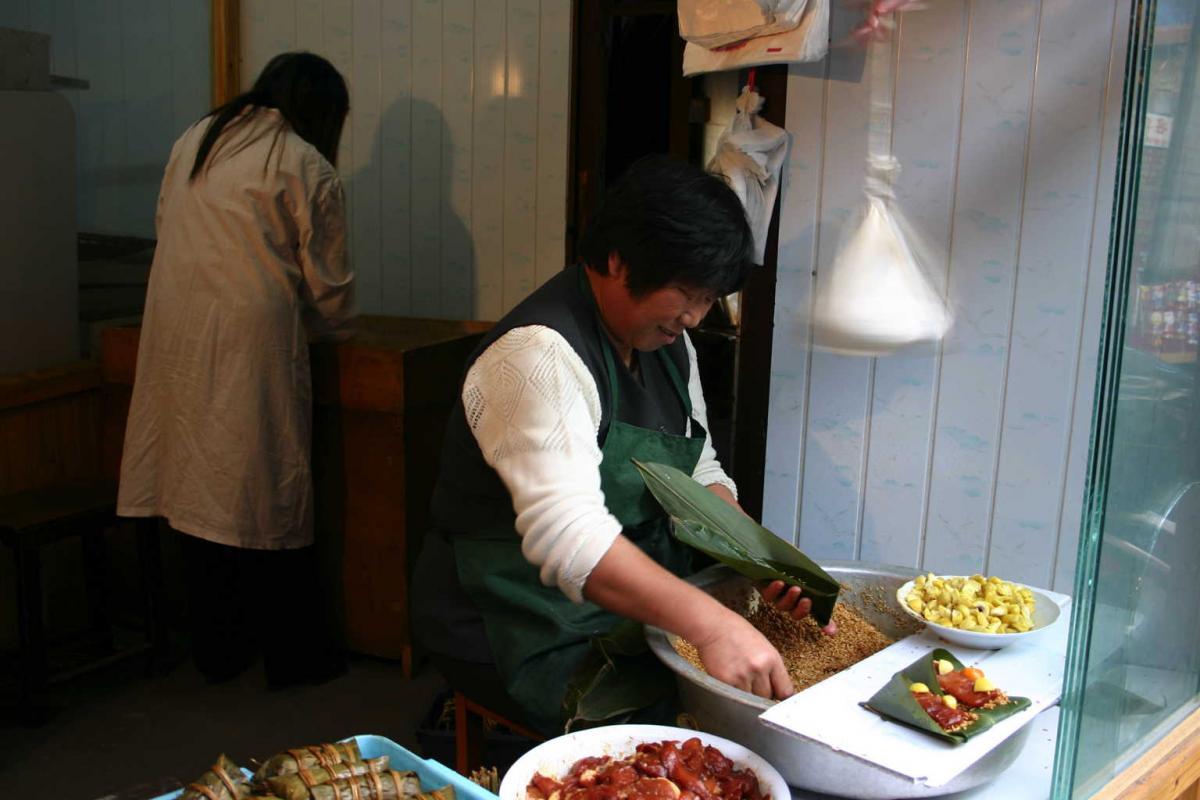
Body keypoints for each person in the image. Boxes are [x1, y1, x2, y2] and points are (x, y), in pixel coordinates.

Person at [412, 156, 835, 735]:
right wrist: (710, 624)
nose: (692, 317)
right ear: (617, 259)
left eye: (709, 298)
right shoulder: (536, 355)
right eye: (684, 291)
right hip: (519, 621)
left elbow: (699, 468)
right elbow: (569, 537)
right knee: (704, 730)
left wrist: (757, 559)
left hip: (618, 602)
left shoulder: (668, 343)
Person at [117, 52, 355, 687]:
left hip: (176, 328)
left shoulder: (197, 139)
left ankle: (219, 653)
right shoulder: (304, 161)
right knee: (267, 489)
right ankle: (293, 659)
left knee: (198, 489)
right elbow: (329, 289)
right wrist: (336, 326)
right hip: (252, 337)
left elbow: (167, 225)